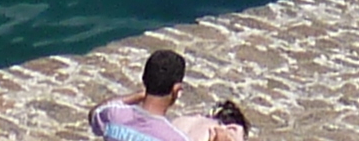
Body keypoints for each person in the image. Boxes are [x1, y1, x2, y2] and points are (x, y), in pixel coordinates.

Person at [86, 48, 244, 140]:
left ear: (144, 79)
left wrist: (139, 96)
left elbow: (95, 113)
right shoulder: (174, 138)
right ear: (176, 90)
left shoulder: (113, 115)